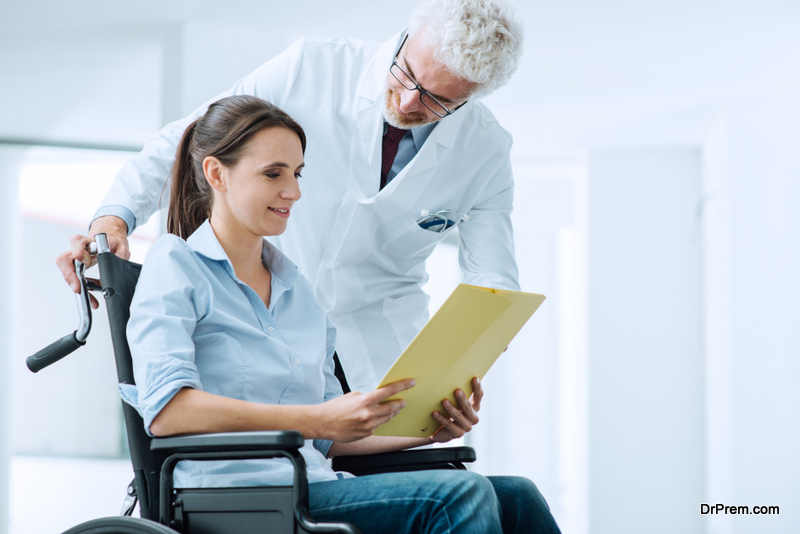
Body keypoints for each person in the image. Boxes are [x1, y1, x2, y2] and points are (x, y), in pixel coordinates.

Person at [119, 94, 559, 533]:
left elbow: (329, 435)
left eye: (297, 173)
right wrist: (314, 419)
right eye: (273, 173)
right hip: (235, 498)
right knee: (459, 496)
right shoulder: (175, 264)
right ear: (217, 174)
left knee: (517, 495)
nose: (293, 191)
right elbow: (167, 410)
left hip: (312, 486)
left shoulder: (299, 294)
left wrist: (429, 431)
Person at [60, 0, 525, 393]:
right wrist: (113, 220)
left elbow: (493, 283)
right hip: (268, 331)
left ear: (470, 99)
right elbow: (191, 142)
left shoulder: (484, 149)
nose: (407, 104)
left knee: (435, 485)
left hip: (383, 354)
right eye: (407, 75)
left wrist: (462, 367)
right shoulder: (312, 68)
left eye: (437, 101)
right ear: (405, 37)